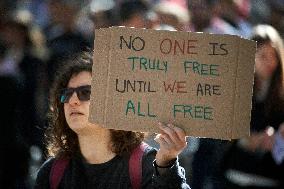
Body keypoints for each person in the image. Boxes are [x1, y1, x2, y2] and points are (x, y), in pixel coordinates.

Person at [34, 52, 190, 188]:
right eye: (67, 94)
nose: (73, 101)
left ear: (114, 102)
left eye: (86, 92)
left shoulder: (146, 164)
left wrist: (166, 166)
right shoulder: (52, 172)